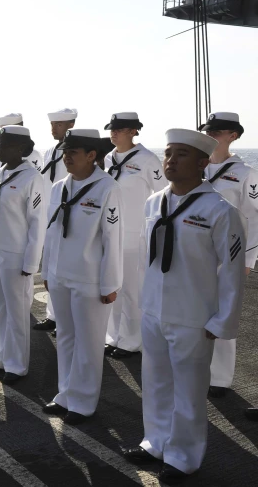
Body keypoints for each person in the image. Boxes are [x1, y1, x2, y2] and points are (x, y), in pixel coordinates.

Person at [123, 129, 245, 484]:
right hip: (155, 311)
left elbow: (232, 272)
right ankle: (155, 443)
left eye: (181, 155)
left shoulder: (220, 210)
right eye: (168, 153)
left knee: (190, 393)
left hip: (194, 316)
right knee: (156, 383)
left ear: (204, 162)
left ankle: (184, 457)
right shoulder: (153, 202)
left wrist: (223, 321)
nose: (170, 161)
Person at [41, 129, 124, 425]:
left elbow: (113, 238)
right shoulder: (60, 186)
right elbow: (51, 232)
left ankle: (83, 402)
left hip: (90, 279)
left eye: (73, 152)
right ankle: (65, 394)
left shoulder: (106, 188)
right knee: (65, 337)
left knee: (89, 343)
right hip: (61, 274)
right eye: (65, 152)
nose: (66, 158)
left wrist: (110, 283)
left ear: (92, 156)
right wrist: (47, 270)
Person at [198, 112, 258, 398]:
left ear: (232, 135)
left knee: (223, 315)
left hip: (228, 256)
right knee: (194, 314)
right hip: (196, 254)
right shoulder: (197, 169)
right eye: (207, 131)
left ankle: (219, 378)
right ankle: (197, 368)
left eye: (217, 132)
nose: (210, 136)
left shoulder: (246, 173)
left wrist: (247, 260)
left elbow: (255, 219)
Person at [0, 126, 46, 384]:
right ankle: (3, 355)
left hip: (16, 253)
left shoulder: (32, 178)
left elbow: (37, 222)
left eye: (3, 145)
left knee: (17, 311)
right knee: (0, 308)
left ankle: (17, 365)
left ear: (19, 148)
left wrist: (31, 262)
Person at [103, 113, 166, 359]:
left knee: (132, 290)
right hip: (110, 231)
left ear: (133, 132)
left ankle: (131, 341)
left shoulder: (148, 159)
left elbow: (163, 195)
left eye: (119, 129)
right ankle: (113, 336)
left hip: (134, 233)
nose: (114, 133)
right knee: (112, 285)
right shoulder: (108, 158)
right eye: (112, 129)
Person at [35, 107, 78, 332]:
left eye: (58, 125)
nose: (53, 128)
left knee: (66, 269)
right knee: (51, 268)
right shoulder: (50, 151)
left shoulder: (77, 152)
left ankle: (66, 319)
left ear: (70, 125)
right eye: (52, 124)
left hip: (68, 217)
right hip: (48, 215)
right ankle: (53, 315)